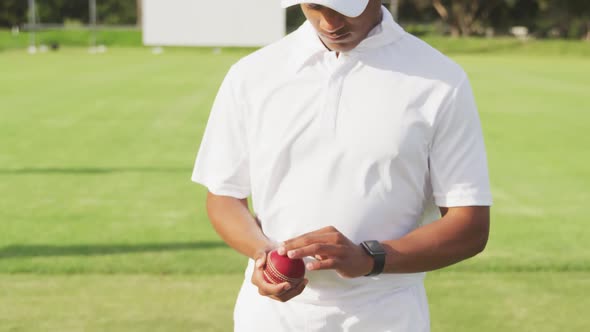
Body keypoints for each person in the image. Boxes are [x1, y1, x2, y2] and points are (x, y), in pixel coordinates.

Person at [192, 0, 492, 330]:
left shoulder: (441, 81)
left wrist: (369, 258)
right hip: (270, 318)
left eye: (344, 6)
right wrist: (262, 254)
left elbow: (470, 226)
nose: (330, 21)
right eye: (315, 5)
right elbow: (223, 196)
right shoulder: (252, 74)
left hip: (386, 316)